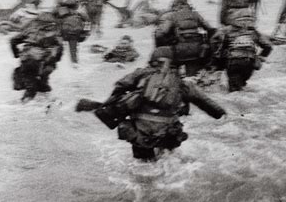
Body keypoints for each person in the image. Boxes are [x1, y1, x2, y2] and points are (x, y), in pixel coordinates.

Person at [96, 46, 226, 161]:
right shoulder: (181, 83)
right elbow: (204, 101)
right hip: (168, 133)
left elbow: (119, 86)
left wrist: (115, 105)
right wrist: (220, 114)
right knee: (167, 161)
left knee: (143, 165)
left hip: (140, 133)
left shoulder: (140, 74)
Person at [211, 7, 272, 92]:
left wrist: (217, 64)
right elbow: (268, 46)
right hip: (249, 63)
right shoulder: (254, 32)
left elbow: (219, 46)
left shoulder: (227, 31)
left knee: (234, 91)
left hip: (233, 63)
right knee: (242, 85)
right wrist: (261, 57)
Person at [155, 0, 216, 76]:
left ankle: (174, 79)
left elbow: (161, 34)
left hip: (180, 51)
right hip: (196, 51)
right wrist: (206, 44)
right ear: (187, 4)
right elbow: (210, 29)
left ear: (176, 4)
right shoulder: (196, 14)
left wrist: (168, 40)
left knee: (173, 71)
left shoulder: (173, 15)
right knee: (191, 76)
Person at [10, 12, 63, 101]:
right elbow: (60, 48)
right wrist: (56, 59)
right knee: (43, 82)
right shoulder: (54, 33)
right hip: (45, 62)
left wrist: (16, 53)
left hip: (27, 59)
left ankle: (28, 101)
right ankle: (45, 99)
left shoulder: (30, 30)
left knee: (29, 83)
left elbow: (13, 41)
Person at [52, 0, 90, 65]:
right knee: (73, 51)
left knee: (57, 48)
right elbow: (87, 22)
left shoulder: (59, 12)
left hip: (63, 33)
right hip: (74, 34)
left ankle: (56, 64)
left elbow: (52, 20)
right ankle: (74, 64)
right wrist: (85, 33)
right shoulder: (79, 13)